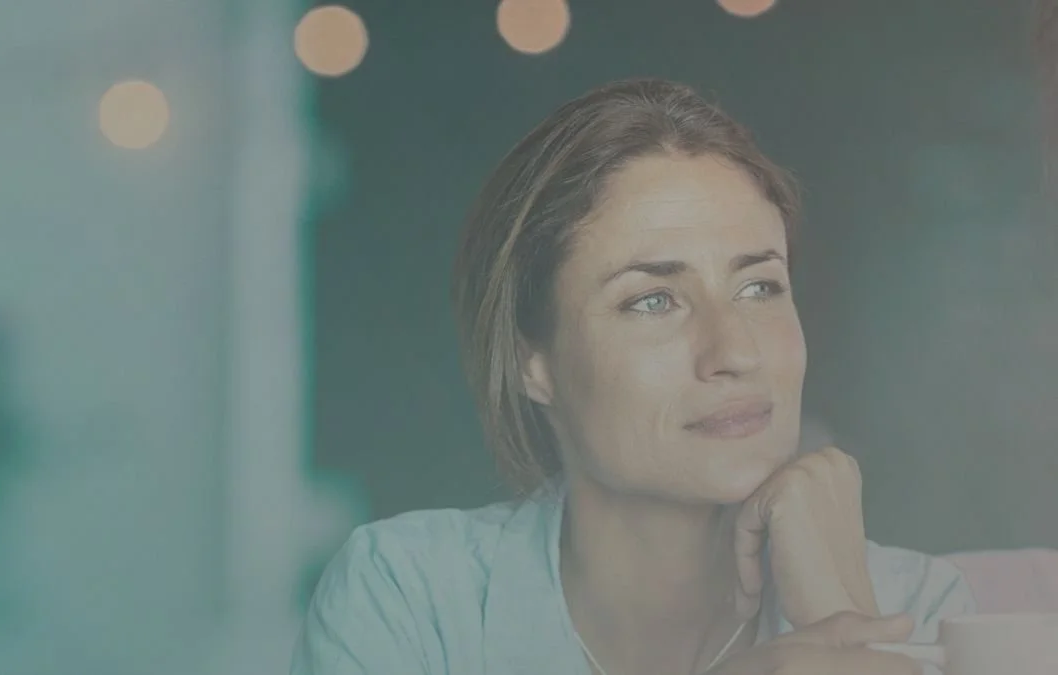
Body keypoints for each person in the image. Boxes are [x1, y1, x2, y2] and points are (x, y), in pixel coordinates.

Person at [291, 79, 974, 675]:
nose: (733, 351)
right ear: (534, 361)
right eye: (653, 300)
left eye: (761, 287)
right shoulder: (410, 595)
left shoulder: (920, 607)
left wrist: (840, 616)